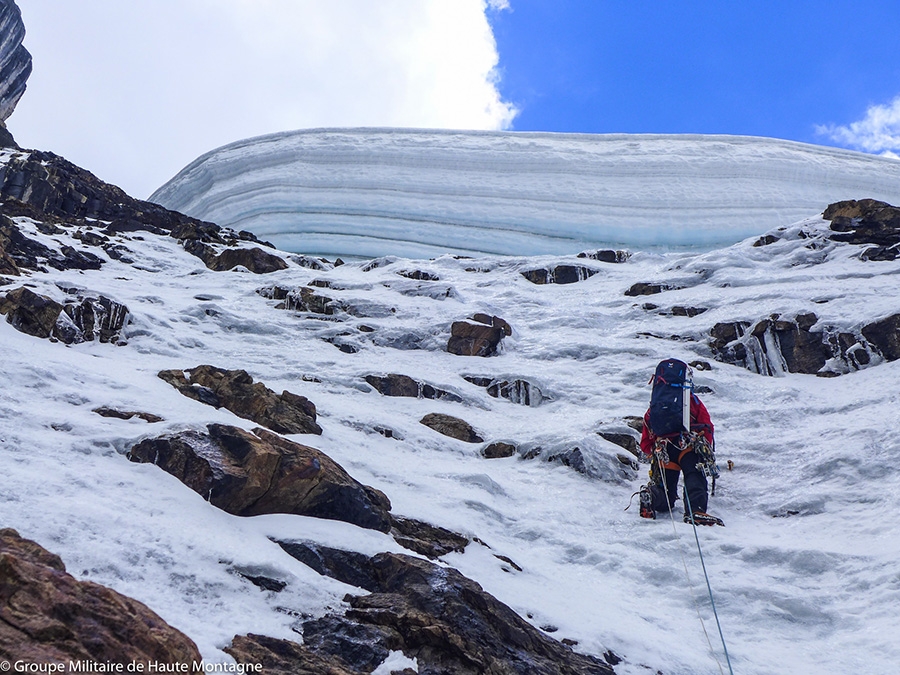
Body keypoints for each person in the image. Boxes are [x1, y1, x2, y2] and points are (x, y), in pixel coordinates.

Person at [638, 359, 722, 526]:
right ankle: (695, 511)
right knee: (694, 475)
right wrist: (704, 448)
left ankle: (653, 498)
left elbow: (646, 442)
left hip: (664, 450)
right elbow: (707, 426)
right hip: (688, 447)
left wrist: (653, 450)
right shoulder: (691, 401)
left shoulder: (655, 407)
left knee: (666, 493)